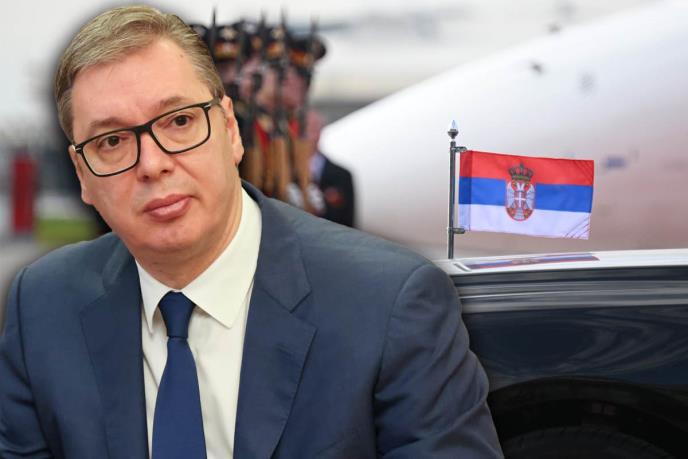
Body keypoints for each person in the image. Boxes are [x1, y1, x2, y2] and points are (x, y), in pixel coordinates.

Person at [0, 6, 503, 459]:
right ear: (83, 175)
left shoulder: (389, 306)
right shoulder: (42, 307)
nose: (152, 164)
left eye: (179, 121)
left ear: (230, 130)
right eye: (111, 141)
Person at [306, 109, 356, 227]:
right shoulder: (285, 172)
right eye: (305, 128)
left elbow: (348, 224)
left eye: (314, 127)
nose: (310, 134)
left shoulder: (342, 175)